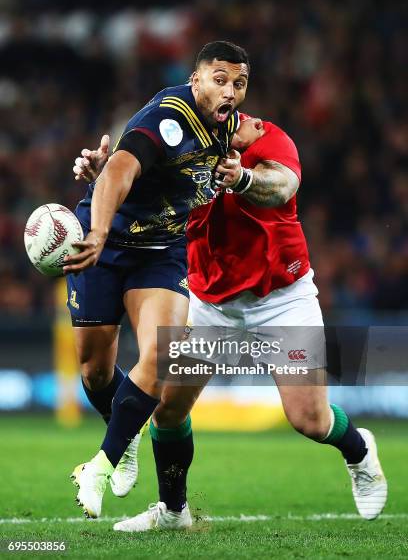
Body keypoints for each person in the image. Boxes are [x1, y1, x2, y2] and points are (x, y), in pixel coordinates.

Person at [75, 116, 387, 532]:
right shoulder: (178, 147)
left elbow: (282, 186)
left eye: (232, 86)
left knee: (309, 420)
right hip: (210, 305)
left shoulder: (266, 138)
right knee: (167, 412)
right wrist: (105, 177)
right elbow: (142, 192)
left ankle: (359, 449)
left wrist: (241, 178)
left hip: (280, 300)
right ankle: (173, 512)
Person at [64, 40, 250, 520]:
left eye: (239, 83)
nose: (230, 91)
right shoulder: (168, 120)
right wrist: (100, 230)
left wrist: (238, 170)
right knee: (94, 371)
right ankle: (122, 441)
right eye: (220, 79)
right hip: (107, 243)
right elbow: (120, 172)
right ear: (195, 80)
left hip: (161, 252)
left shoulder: (228, 126)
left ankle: (100, 466)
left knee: (162, 353)